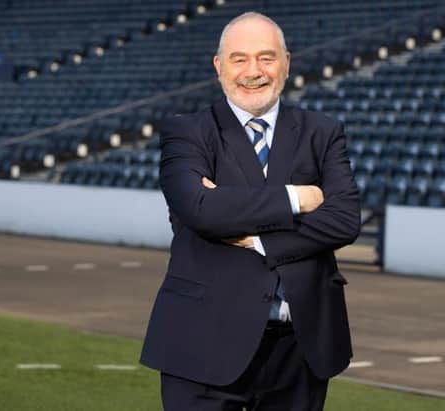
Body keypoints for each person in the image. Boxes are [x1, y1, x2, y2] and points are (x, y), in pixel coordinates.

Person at [140, 11, 360, 411]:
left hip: (299, 349)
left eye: (266, 57)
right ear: (219, 66)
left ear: (287, 63)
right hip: (202, 342)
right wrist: (298, 199)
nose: (253, 71)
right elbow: (201, 209)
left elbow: (344, 220)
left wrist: (259, 240)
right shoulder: (187, 132)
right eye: (239, 58)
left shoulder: (323, 131)